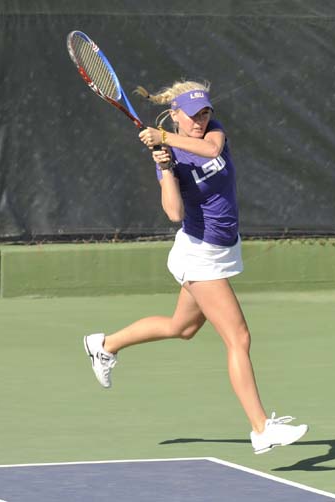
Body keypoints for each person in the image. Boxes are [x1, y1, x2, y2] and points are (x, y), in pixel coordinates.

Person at [82, 80, 308, 454]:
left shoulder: (211, 134)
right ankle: (261, 428)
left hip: (223, 248)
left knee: (182, 327)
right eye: (192, 115)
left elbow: (210, 148)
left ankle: (105, 345)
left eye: (205, 112)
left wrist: (167, 140)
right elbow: (174, 212)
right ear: (175, 115)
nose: (200, 120)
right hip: (198, 254)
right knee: (239, 338)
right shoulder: (168, 154)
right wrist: (166, 167)